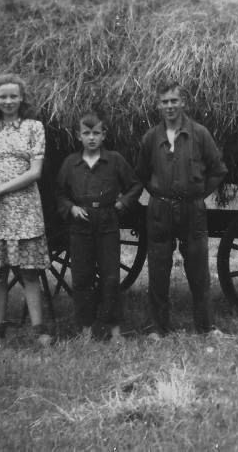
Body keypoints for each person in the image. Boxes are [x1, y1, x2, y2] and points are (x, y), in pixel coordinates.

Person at [136, 80, 228, 337]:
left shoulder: (199, 134)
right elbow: (142, 173)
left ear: (183, 102)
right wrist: (158, 194)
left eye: (174, 101)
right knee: (158, 269)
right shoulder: (151, 138)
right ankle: (157, 328)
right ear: (158, 105)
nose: (169, 106)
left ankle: (206, 327)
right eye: (164, 102)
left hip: (192, 210)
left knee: (199, 269)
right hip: (160, 211)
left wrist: (199, 193)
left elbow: (218, 169)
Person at [0, 73, 52, 349]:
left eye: (13, 96)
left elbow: (35, 171)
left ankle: (39, 330)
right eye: (3, 96)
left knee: (29, 272)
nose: (8, 101)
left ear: (22, 98)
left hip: (25, 208)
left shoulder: (34, 127)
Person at [54, 112, 142, 342]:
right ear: (78, 136)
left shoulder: (114, 160)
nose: (91, 138)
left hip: (107, 222)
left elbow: (134, 186)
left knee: (110, 277)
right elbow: (59, 193)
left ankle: (114, 330)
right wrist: (71, 208)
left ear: (104, 135)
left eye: (96, 133)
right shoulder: (70, 164)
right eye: (86, 133)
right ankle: (85, 330)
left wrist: (122, 204)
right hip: (80, 225)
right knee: (82, 277)